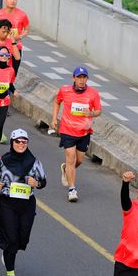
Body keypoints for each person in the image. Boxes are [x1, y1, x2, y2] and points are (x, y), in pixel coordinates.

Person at [0, 128, 46, 276]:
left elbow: (43, 181)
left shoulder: (34, 162)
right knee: (12, 239)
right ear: (12, 142)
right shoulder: (3, 161)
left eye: (24, 142)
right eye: (18, 141)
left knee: (23, 238)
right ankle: (10, 275)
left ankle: (7, 250)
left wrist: (37, 183)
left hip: (27, 204)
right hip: (7, 202)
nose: (21, 144)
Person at [50, 65, 102, 202]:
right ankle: (72, 189)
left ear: (87, 79)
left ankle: (66, 168)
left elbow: (99, 111)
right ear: (73, 78)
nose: (81, 80)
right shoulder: (65, 90)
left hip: (84, 132)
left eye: (84, 77)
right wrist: (54, 119)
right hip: (67, 130)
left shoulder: (93, 93)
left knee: (78, 161)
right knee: (71, 158)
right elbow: (57, 102)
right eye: (79, 77)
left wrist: (91, 113)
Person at [0, 0, 30, 76]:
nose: (13, 1)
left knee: (13, 73)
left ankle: (10, 85)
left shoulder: (22, 15)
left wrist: (20, 36)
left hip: (16, 47)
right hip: (0, 47)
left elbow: (27, 30)